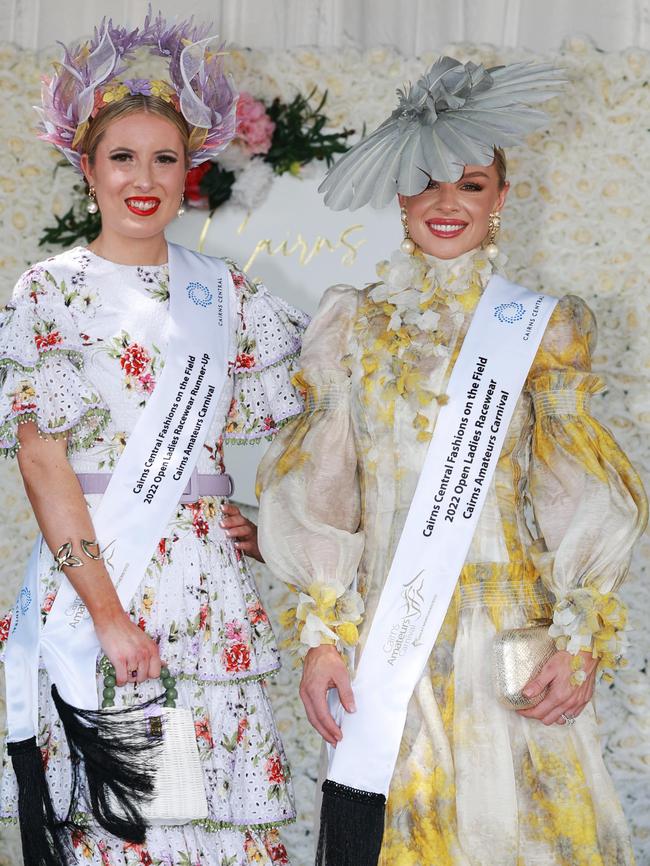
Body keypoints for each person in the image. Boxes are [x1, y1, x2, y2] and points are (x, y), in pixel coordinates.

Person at [257, 56, 648, 865]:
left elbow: (578, 490)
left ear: (501, 200)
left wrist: (580, 635)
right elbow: (325, 492)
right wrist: (323, 637)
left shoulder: (542, 327)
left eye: (470, 184)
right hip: (388, 642)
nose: (446, 201)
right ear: (400, 194)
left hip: (509, 635)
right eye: (428, 181)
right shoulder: (352, 327)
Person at [0, 12, 306, 866]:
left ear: (189, 172)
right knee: (141, 825)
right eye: (122, 157)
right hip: (112, 583)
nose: (144, 177)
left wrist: (247, 513)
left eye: (164, 158)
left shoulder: (228, 293)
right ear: (87, 169)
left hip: (208, 584)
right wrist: (108, 617)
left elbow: (258, 436)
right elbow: (40, 459)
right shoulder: (50, 291)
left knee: (212, 822)